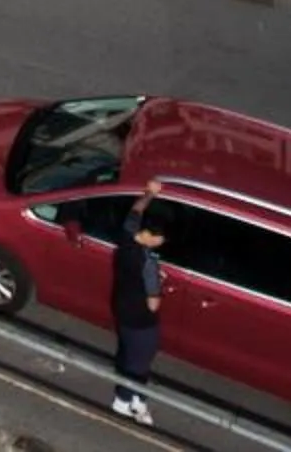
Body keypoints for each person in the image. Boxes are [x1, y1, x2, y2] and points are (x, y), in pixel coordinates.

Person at [110, 179, 167, 424]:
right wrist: (161, 283)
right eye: (160, 239)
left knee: (128, 353)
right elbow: (154, 303)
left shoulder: (126, 238)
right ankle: (124, 401)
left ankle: (136, 399)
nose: (162, 242)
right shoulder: (149, 265)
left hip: (122, 308)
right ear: (151, 239)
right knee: (140, 360)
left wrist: (149, 194)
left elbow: (136, 210)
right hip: (141, 318)